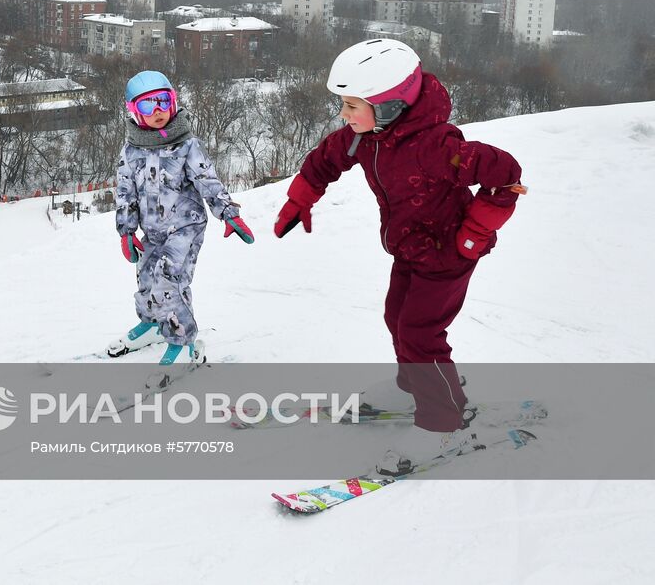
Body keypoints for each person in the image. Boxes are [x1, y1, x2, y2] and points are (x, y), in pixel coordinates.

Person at [273, 39, 526, 474]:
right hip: (409, 248)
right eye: (344, 104)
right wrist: (301, 198)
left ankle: (445, 422)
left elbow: (507, 176)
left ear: (389, 104)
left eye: (352, 105)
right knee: (397, 319)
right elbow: (324, 160)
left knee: (420, 334)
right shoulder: (366, 138)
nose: (344, 115)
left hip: (448, 254)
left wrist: (475, 232)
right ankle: (414, 386)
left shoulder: (437, 146)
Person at [113, 70, 254, 368]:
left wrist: (228, 213)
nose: (158, 112)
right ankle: (153, 324)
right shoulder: (131, 151)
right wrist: (126, 231)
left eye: (163, 102)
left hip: (185, 227)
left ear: (174, 102)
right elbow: (126, 192)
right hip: (152, 231)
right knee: (147, 278)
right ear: (134, 112)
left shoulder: (187, 145)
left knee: (169, 282)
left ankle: (183, 342)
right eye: (148, 106)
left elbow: (207, 179)